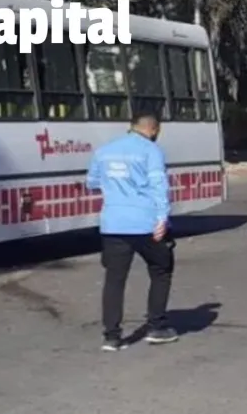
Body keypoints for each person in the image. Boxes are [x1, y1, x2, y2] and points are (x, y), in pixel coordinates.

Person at [86, 111, 178, 351]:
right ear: (154, 129)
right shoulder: (151, 151)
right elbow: (159, 186)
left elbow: (92, 182)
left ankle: (112, 336)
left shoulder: (104, 150)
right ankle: (156, 326)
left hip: (113, 223)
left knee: (114, 279)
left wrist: (116, 184)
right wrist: (162, 218)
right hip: (145, 222)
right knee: (161, 269)